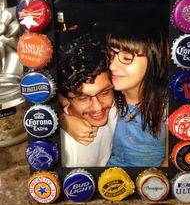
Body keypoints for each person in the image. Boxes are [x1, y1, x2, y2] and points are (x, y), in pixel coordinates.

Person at [62, 23, 169, 167]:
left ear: (154, 61)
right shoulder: (111, 96)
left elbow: (172, 158)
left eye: (126, 58)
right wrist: (64, 121)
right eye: (111, 56)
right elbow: (61, 93)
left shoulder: (166, 104)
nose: (112, 66)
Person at [57, 32, 117, 167]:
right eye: (83, 98)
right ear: (66, 98)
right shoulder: (64, 149)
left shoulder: (116, 109)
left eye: (104, 92)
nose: (98, 108)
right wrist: (62, 119)